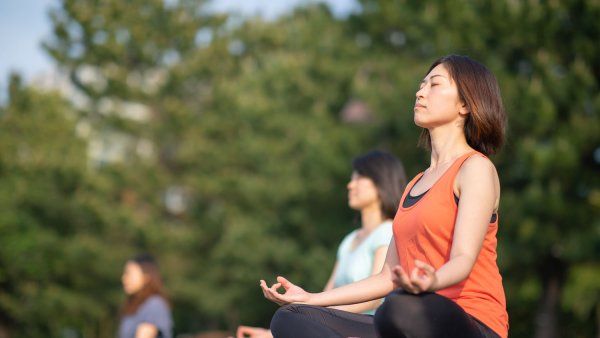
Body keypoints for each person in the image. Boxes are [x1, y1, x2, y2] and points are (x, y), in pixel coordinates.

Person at [260, 54, 509, 338]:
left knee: (398, 307)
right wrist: (311, 298)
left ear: (465, 104)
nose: (420, 92)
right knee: (291, 318)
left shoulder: (475, 168)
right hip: (408, 316)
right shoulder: (414, 185)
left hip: (471, 321)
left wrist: (430, 281)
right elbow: (386, 276)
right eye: (421, 84)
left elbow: (464, 258)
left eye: (434, 85)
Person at [235, 151, 407, 338]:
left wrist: (318, 315)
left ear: (381, 181)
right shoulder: (349, 240)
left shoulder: (387, 231)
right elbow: (327, 293)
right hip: (336, 326)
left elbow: (376, 299)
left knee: (288, 316)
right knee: (285, 318)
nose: (350, 185)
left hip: (369, 327)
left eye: (359, 178)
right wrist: (270, 333)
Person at [118, 253, 173, 338]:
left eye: (129, 274)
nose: (124, 278)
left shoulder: (154, 305)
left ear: (146, 276)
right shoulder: (133, 306)